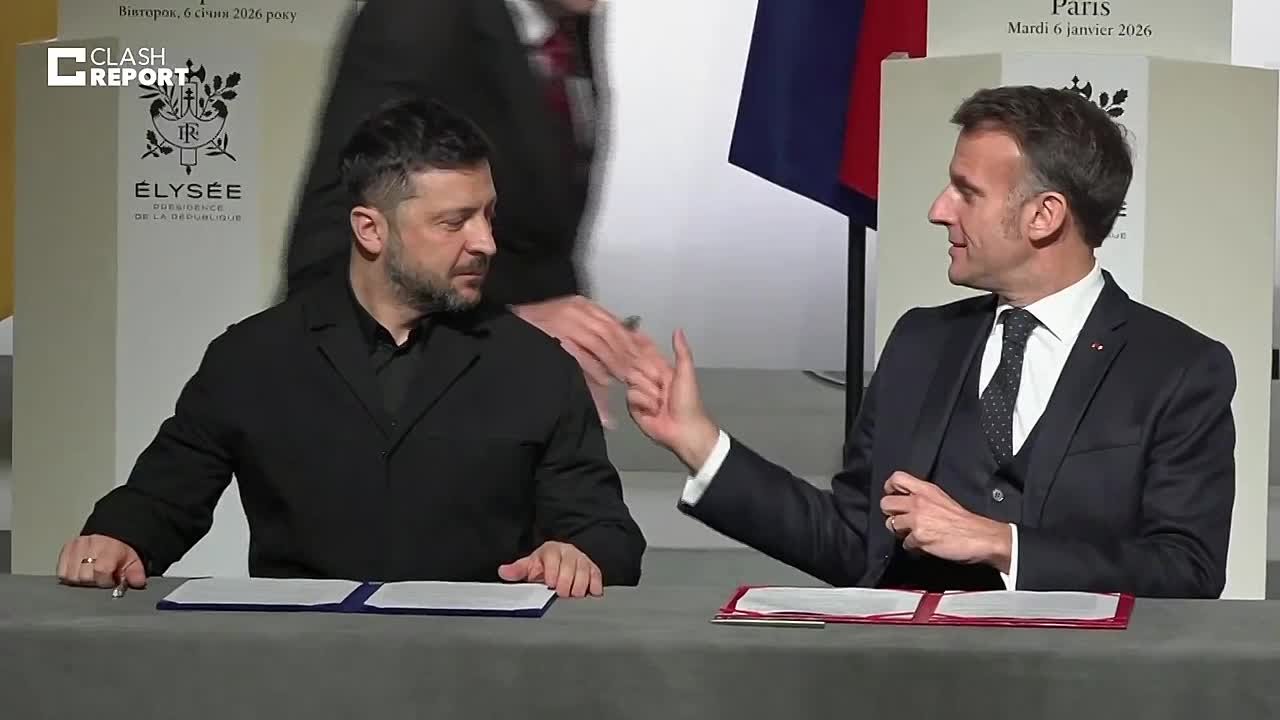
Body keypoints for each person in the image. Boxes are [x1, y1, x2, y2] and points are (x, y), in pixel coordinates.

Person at [624, 85, 1236, 599]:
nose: (938, 210)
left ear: (1043, 216)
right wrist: (700, 444)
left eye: (967, 192)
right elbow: (854, 542)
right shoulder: (921, 343)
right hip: (916, 683)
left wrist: (1001, 544)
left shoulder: (1177, 368)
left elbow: (1187, 570)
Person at [56, 97, 646, 598]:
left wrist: (577, 554)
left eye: (488, 215)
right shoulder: (253, 359)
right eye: (455, 222)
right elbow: (162, 497)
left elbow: (606, 533)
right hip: (298, 666)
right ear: (370, 229)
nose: (486, 242)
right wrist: (117, 539)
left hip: (478, 669)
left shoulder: (536, 367)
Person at [286, 0, 636, 427]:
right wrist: (508, 331)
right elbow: (328, 263)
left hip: (499, 427)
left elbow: (537, 246)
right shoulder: (416, 17)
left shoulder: (571, 24)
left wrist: (597, 344)